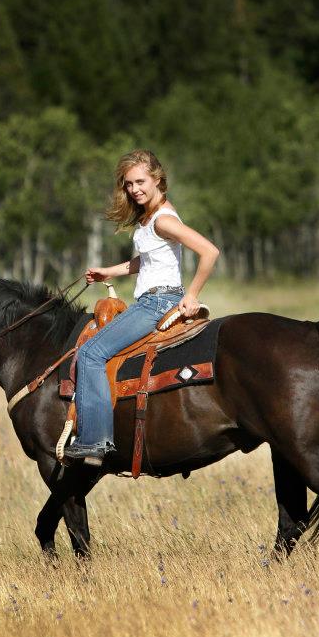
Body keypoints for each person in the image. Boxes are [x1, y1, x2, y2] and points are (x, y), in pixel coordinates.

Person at [65, 149, 220, 466]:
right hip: (152, 297)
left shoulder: (163, 219)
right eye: (128, 184)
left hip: (157, 303)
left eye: (140, 182)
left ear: (157, 179)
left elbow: (209, 251)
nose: (134, 189)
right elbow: (147, 261)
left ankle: (94, 442)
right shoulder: (152, 216)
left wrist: (191, 295)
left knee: (92, 353)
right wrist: (111, 271)